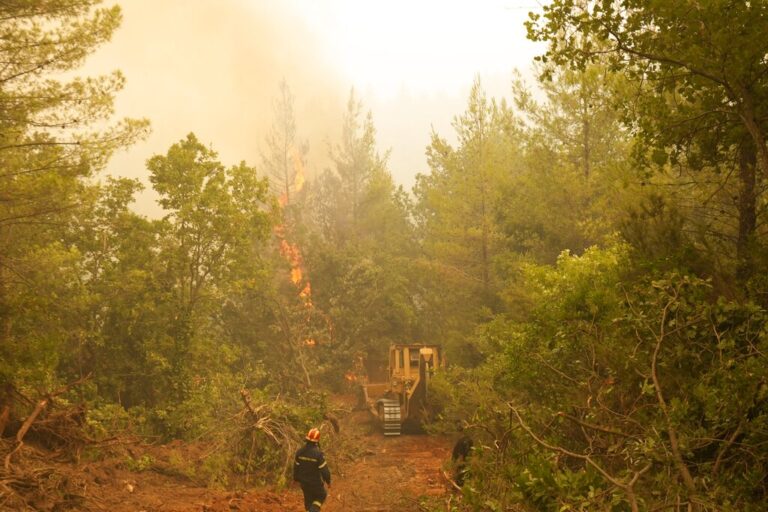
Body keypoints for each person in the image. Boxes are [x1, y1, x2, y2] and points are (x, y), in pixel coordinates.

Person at [293, 427, 331, 512]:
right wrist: (328, 481)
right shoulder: (318, 454)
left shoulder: (299, 452)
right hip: (315, 483)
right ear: (317, 441)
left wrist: (296, 479)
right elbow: (325, 471)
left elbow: (296, 468)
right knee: (321, 495)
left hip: (304, 484)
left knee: (308, 503)